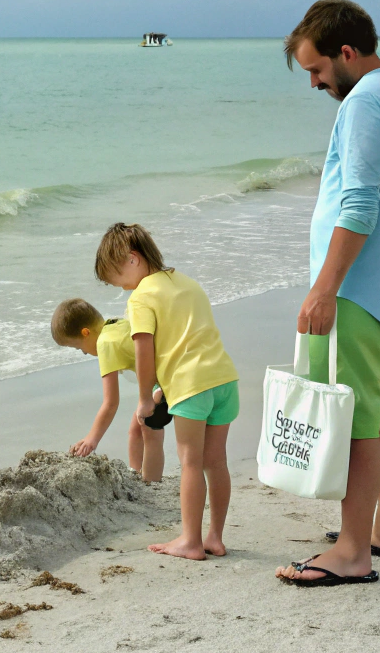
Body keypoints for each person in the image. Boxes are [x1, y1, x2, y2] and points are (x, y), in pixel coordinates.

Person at [275, 0, 380, 587]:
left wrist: (325, 289)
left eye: (317, 70)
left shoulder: (365, 102)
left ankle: (351, 551)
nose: (315, 83)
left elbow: (359, 203)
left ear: (346, 52)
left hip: (356, 294)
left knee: (352, 416)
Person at [94, 223, 239, 560]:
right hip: (224, 380)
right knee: (216, 462)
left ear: (132, 259)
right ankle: (214, 537)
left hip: (191, 387)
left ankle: (191, 540)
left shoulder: (141, 296)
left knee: (190, 462)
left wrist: (145, 398)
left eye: (115, 276)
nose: (119, 285)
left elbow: (144, 348)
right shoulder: (187, 282)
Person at [51, 298, 168, 481]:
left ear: (85, 332)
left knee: (148, 428)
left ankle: (152, 482)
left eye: (78, 347)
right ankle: (135, 474)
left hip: (165, 378)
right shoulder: (116, 325)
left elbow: (111, 402)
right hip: (161, 370)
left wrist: (92, 439)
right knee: (135, 429)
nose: (83, 352)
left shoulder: (104, 344)